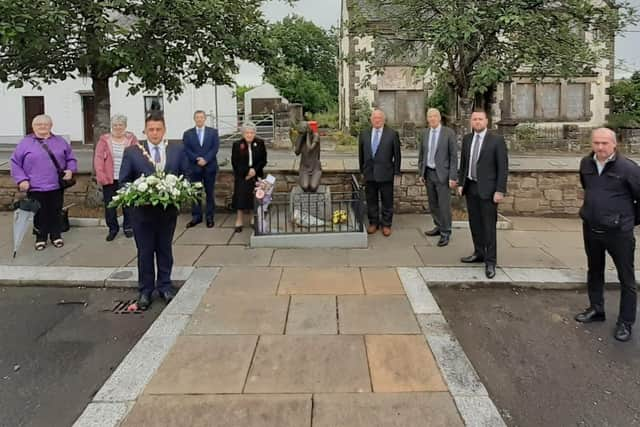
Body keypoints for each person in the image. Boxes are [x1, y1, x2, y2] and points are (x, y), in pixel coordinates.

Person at [575, 128, 640, 342]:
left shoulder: (628, 168)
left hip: (619, 233)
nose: (600, 147)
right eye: (596, 143)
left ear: (614, 144)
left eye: (604, 143)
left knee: (627, 279)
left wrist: (628, 221)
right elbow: (588, 188)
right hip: (592, 229)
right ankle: (596, 309)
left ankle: (625, 322)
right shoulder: (586, 164)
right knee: (594, 271)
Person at [119, 112, 189, 310]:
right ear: (145, 131)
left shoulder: (176, 150)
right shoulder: (132, 152)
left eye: (158, 129)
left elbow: (186, 176)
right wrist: (140, 194)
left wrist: (179, 193)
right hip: (142, 214)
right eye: (151, 129)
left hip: (167, 213)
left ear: (164, 130)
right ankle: (145, 290)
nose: (155, 133)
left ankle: (165, 286)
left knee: (165, 250)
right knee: (145, 252)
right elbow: (123, 182)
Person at [10, 114, 77, 251]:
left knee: (56, 211)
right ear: (33, 126)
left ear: (50, 126)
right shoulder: (25, 143)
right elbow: (15, 163)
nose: (42, 126)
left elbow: (71, 159)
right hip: (35, 185)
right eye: (38, 124)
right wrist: (22, 179)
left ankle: (56, 235)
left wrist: (70, 170)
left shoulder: (60, 141)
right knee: (39, 213)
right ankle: (40, 238)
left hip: (56, 185)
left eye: (45, 124)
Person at [457, 109, 508, 279]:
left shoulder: (496, 141)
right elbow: (463, 164)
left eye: (480, 119)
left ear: (486, 121)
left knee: (488, 227)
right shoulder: (467, 139)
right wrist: (460, 183)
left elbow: (503, 167)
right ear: (471, 122)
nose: (477, 122)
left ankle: (490, 261)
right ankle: (478, 253)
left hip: (489, 191)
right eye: (474, 119)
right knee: (475, 225)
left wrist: (500, 190)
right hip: (471, 188)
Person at [94, 114, 138, 241]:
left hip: (126, 178)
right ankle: (113, 229)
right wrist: (101, 174)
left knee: (128, 204)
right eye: (115, 125)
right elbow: (98, 159)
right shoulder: (104, 140)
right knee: (110, 206)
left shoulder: (131, 139)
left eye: (121, 125)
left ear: (125, 126)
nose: (118, 127)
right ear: (111, 126)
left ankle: (128, 227)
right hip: (110, 178)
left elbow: (138, 155)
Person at [358, 109, 401, 237]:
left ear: (383, 119)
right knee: (371, 200)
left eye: (379, 118)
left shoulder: (392, 134)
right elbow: (360, 154)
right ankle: (373, 223)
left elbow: (397, 156)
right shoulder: (364, 134)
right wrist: (362, 171)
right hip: (369, 173)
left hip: (386, 173)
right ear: (371, 119)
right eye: (374, 118)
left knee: (387, 200)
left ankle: (386, 225)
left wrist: (397, 172)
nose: (377, 120)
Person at [418, 108, 458, 247]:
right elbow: (422, 154)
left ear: (439, 118)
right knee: (433, 204)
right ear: (427, 119)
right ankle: (438, 226)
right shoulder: (425, 133)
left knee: (444, 205)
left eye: (435, 116)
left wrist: (453, 176)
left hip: (443, 175)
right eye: (430, 116)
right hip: (428, 173)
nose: (432, 118)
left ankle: (446, 232)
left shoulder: (448, 133)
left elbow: (454, 157)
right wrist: (421, 172)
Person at [183, 110, 219, 228]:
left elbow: (215, 148)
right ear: (194, 119)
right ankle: (196, 217)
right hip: (195, 168)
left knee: (209, 193)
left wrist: (206, 159)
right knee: (196, 194)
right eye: (197, 117)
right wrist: (197, 159)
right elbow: (187, 149)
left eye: (201, 117)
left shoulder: (213, 132)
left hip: (209, 167)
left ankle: (209, 217)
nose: (199, 119)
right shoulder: (188, 134)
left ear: (205, 119)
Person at [231, 122, 267, 232]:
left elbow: (263, 160)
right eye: (247, 133)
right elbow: (235, 162)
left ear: (255, 133)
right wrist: (247, 172)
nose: (249, 135)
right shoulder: (237, 145)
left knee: (255, 196)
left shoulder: (260, 143)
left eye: (251, 133)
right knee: (240, 196)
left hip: (256, 175)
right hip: (242, 175)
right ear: (243, 134)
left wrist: (254, 170)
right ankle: (239, 219)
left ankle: (253, 218)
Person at [295, 121, 322, 192]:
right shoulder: (301, 138)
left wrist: (307, 135)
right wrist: (300, 138)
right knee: (305, 187)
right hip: (304, 168)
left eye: (302, 132)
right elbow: (297, 152)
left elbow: (309, 148)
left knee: (313, 187)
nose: (300, 134)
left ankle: (315, 177)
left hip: (315, 167)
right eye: (300, 133)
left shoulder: (316, 136)